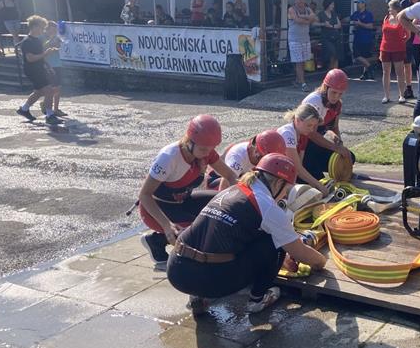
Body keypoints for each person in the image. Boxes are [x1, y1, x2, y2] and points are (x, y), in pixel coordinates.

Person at [167, 153, 327, 316]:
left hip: (176, 271)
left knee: (215, 236)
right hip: (211, 281)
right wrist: (321, 262)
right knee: (273, 242)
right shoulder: (267, 205)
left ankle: (197, 298)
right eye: (285, 190)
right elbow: (299, 252)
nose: (284, 196)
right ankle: (257, 299)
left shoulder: (232, 190)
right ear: (279, 182)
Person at [139, 115, 238, 270]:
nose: (208, 153)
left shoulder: (206, 150)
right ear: (190, 142)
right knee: (201, 231)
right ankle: (158, 241)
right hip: (156, 208)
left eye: (211, 148)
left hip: (183, 201)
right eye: (203, 149)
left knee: (220, 209)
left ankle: (158, 239)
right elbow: (144, 195)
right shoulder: (168, 157)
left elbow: (231, 175)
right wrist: (166, 225)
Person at [302, 69, 355, 179]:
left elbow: (334, 127)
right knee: (319, 180)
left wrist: (340, 145)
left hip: (316, 145)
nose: (336, 97)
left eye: (340, 94)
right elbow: (311, 134)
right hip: (304, 146)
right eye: (334, 92)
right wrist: (335, 148)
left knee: (350, 157)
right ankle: (308, 169)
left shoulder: (337, 104)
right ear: (325, 88)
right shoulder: (314, 101)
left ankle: (316, 166)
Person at [15, 15, 61, 125]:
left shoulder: (37, 40)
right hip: (33, 70)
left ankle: (24, 109)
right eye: (41, 27)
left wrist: (48, 66)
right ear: (34, 27)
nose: (43, 30)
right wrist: (46, 53)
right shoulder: (27, 41)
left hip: (40, 68)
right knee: (49, 90)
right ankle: (50, 115)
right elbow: (30, 58)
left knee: (38, 91)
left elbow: (40, 56)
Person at [206, 129, 287, 190]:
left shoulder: (259, 153)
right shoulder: (238, 155)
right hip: (217, 181)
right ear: (257, 152)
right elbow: (226, 183)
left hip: (240, 179)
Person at [277, 103, 328, 194]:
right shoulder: (287, 133)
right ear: (297, 120)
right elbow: (297, 167)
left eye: (314, 126)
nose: (312, 130)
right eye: (309, 125)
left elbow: (299, 166)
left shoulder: (303, 134)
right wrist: (318, 185)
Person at [379, 0, 410, 104]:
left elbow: (408, 35)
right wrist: (380, 51)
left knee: (399, 73)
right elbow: (383, 35)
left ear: (396, 8)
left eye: (390, 8)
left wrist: (400, 42)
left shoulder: (402, 19)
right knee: (385, 72)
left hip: (398, 49)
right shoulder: (386, 18)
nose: (389, 10)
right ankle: (386, 96)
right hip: (385, 48)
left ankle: (401, 95)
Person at [288, 0, 316, 91]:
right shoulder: (291, 9)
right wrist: (308, 20)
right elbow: (297, 20)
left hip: (305, 39)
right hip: (295, 39)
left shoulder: (307, 9)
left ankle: (298, 80)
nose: (301, 1)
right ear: (295, 0)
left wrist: (303, 17)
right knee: (299, 62)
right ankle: (303, 83)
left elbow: (314, 18)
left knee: (303, 61)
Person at [400, 0, 420, 99]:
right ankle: (409, 88)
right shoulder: (403, 3)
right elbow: (399, 21)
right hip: (407, 38)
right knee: (407, 64)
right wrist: (412, 23)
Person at [41, 20, 67, 117]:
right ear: (47, 29)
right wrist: (51, 42)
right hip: (48, 65)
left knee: (58, 88)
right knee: (51, 89)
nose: (54, 32)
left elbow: (59, 46)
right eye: (52, 30)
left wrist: (57, 45)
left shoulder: (57, 37)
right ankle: (47, 106)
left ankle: (56, 108)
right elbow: (42, 48)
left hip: (57, 63)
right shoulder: (42, 37)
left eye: (55, 30)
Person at [350, 0, 375, 80]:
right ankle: (368, 70)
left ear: (364, 4)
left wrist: (360, 24)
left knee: (362, 56)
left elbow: (370, 26)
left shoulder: (368, 14)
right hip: (357, 37)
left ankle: (368, 69)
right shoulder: (356, 13)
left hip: (366, 38)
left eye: (360, 3)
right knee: (357, 55)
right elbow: (349, 18)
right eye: (357, 3)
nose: (358, 4)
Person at [317, 0, 342, 69]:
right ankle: (331, 72)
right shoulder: (321, 14)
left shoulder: (334, 13)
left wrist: (331, 26)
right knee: (332, 53)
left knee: (336, 55)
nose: (333, 6)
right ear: (327, 5)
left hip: (335, 37)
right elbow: (314, 23)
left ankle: (335, 73)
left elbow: (339, 25)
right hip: (326, 38)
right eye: (332, 4)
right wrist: (323, 24)